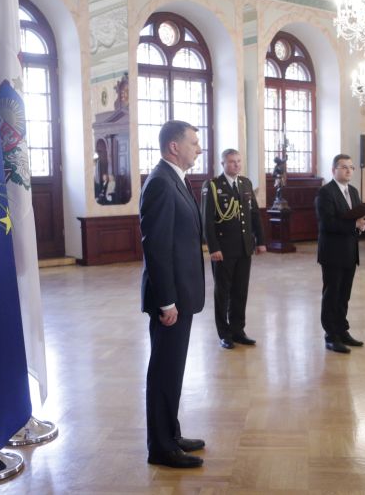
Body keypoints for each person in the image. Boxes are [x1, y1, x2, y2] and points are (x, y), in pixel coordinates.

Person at [139, 120, 206, 468]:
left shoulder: (176, 179)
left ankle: (171, 434)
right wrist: (167, 301)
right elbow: (157, 247)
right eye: (194, 143)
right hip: (171, 300)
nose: (199, 149)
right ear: (174, 147)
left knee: (173, 370)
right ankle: (161, 448)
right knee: (164, 372)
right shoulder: (161, 183)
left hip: (182, 294)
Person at [201, 149, 266, 349]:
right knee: (223, 292)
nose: (236, 165)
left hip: (244, 247)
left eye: (238, 161)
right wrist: (213, 248)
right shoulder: (212, 185)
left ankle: (238, 330)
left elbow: (254, 214)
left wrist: (261, 240)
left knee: (240, 291)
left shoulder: (245, 183)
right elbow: (207, 220)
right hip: (223, 249)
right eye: (231, 162)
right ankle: (224, 333)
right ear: (223, 164)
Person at [315, 154, 365, 354]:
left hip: (349, 251)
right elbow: (327, 224)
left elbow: (355, 218)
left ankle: (342, 331)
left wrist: (361, 225)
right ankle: (331, 336)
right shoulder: (325, 192)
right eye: (344, 167)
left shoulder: (353, 191)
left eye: (351, 167)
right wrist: (354, 224)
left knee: (344, 295)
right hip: (332, 252)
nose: (349, 170)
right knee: (332, 295)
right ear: (334, 170)